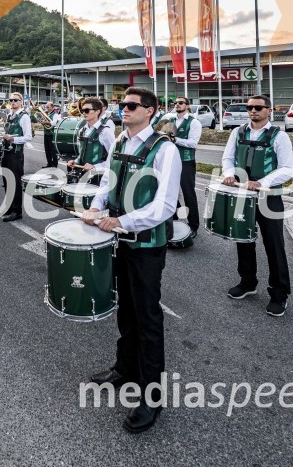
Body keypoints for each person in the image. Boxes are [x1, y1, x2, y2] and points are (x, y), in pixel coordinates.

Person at [84, 87, 181, 433]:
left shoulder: (164, 149)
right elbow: (108, 184)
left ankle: (151, 396)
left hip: (146, 244)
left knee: (148, 317)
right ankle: (124, 368)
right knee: (125, 308)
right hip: (119, 241)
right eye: (121, 105)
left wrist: (123, 221)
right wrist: (97, 207)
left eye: (131, 105)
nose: (123, 109)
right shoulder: (120, 143)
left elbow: (164, 205)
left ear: (150, 110)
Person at [221, 95, 293, 317]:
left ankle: (280, 294)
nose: (253, 111)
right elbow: (227, 158)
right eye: (250, 107)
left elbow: (286, 169)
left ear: (269, 110)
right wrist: (229, 174)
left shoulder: (279, 136)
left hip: (268, 197)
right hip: (242, 194)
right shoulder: (238, 132)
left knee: (274, 245)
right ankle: (248, 282)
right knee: (243, 240)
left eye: (258, 108)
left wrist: (261, 182)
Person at [172, 97, 202, 236]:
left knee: (188, 194)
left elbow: (193, 143)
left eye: (181, 103)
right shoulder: (170, 120)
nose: (177, 105)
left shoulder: (194, 122)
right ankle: (174, 220)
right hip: (171, 160)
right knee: (170, 192)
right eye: (176, 103)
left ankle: (194, 226)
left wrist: (175, 139)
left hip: (186, 161)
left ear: (187, 106)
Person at [0, 92, 32, 222]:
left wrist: (13, 138)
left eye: (15, 100)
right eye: (11, 100)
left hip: (16, 154)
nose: (12, 102)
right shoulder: (10, 115)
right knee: (6, 180)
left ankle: (17, 211)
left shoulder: (24, 117)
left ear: (20, 102)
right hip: (6, 151)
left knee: (15, 182)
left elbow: (28, 137)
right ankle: (9, 206)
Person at [66, 97, 113, 184]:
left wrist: (95, 167)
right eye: (82, 110)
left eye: (87, 110)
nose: (83, 113)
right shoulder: (81, 131)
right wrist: (75, 161)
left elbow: (113, 159)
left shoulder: (105, 131)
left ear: (97, 111)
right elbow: (82, 153)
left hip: (97, 178)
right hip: (81, 176)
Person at [41, 101, 62, 168]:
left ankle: (54, 164)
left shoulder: (55, 114)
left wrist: (46, 122)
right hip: (46, 133)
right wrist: (43, 123)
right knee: (47, 150)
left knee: (53, 150)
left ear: (52, 107)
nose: (47, 108)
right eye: (46, 107)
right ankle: (49, 163)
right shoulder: (47, 114)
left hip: (52, 134)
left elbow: (56, 123)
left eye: (48, 107)